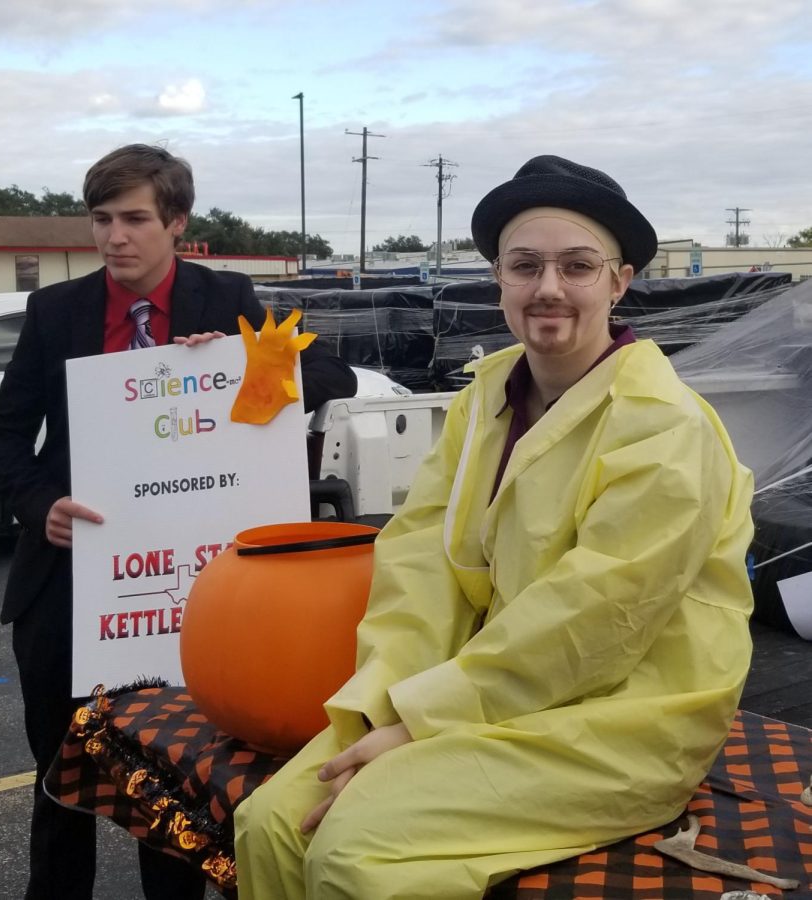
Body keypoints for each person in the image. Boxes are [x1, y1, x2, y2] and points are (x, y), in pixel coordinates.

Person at [233, 155, 755, 899]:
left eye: (577, 265)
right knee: (271, 825)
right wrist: (386, 699)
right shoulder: (484, 400)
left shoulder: (663, 427)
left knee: (355, 852)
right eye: (525, 265)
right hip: (483, 696)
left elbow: (594, 619)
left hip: (621, 719)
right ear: (499, 279)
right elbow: (420, 564)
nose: (549, 288)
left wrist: (421, 724)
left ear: (620, 280)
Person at [0, 143, 356, 900]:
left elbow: (329, 374)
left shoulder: (227, 297)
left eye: (135, 219)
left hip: (190, 595)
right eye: (101, 220)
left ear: (177, 222)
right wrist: (38, 503)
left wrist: (240, 366)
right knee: (60, 786)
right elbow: (3, 436)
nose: (115, 237)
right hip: (71, 587)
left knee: (174, 787)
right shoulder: (57, 310)